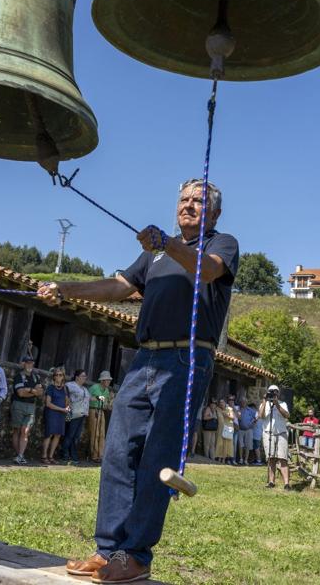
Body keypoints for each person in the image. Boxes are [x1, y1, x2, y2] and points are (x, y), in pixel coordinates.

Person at [39, 178, 239, 583]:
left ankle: (136, 555)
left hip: (187, 356)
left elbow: (211, 271)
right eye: (184, 199)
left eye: (199, 201)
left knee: (157, 457)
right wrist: (66, 290)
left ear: (214, 213)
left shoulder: (221, 244)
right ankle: (108, 550)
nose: (189, 205)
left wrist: (167, 243)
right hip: (144, 356)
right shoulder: (153, 257)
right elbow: (119, 286)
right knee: (117, 452)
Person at [11, 354, 43, 465]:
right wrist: (33, 391)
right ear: (23, 364)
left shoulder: (36, 377)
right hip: (18, 404)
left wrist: (29, 391)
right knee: (17, 430)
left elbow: (40, 393)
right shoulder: (18, 376)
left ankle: (20, 455)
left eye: (32, 363)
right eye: (28, 362)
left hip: (31, 407)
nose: (30, 364)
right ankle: (18, 454)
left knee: (25, 431)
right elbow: (20, 393)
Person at [260, 386, 290, 489]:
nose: (273, 394)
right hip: (268, 433)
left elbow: (287, 415)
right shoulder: (265, 404)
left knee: (283, 458)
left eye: (275, 392)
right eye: (271, 392)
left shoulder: (283, 404)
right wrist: (264, 401)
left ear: (278, 393)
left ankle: (286, 483)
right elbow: (261, 416)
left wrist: (276, 404)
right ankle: (271, 482)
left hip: (281, 433)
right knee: (271, 458)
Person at [42, 367, 70, 465]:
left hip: (61, 415)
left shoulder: (65, 389)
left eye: (60, 375)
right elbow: (48, 403)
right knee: (49, 434)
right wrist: (62, 409)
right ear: (53, 377)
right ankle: (44, 456)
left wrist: (67, 407)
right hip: (51, 413)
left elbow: (67, 403)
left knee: (57, 435)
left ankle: (51, 456)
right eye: (56, 375)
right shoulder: (50, 387)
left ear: (63, 377)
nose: (58, 376)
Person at [62, 369, 90, 464]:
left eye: (85, 376)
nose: (84, 378)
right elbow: (64, 389)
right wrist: (67, 400)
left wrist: (99, 398)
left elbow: (89, 398)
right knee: (70, 435)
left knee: (75, 436)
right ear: (77, 377)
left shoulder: (84, 389)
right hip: (73, 413)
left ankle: (73, 455)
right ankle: (64, 454)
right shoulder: (71, 385)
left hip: (82, 414)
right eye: (83, 376)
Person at [87, 371, 114, 463]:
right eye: (107, 380)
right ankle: (94, 455)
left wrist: (110, 401)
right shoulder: (94, 387)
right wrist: (99, 398)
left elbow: (106, 405)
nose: (109, 382)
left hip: (101, 411)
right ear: (102, 380)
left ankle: (101, 455)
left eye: (109, 380)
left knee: (102, 434)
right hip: (93, 410)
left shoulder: (106, 391)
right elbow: (87, 397)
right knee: (95, 433)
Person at [236, 399, 257, 465]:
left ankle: (246, 460)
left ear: (246, 403)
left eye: (244, 402)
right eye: (242, 402)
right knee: (240, 445)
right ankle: (241, 459)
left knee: (248, 445)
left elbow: (256, 417)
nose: (243, 403)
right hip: (240, 429)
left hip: (249, 430)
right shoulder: (238, 409)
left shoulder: (250, 410)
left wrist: (252, 424)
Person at [218, 397, 236, 464]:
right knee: (220, 444)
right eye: (220, 402)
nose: (221, 403)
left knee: (226, 445)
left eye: (222, 402)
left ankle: (224, 459)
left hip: (227, 429)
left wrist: (227, 415)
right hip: (220, 429)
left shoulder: (229, 409)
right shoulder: (218, 409)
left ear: (225, 403)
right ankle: (219, 458)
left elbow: (233, 418)